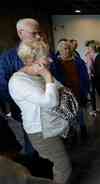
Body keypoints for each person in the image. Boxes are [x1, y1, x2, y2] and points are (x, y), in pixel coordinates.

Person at [8, 40, 72, 183]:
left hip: (51, 126)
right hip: (41, 131)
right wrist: (48, 77)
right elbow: (51, 101)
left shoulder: (38, 75)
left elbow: (61, 88)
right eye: (46, 56)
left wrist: (50, 82)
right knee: (63, 167)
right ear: (32, 60)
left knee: (57, 166)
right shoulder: (19, 81)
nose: (50, 59)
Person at [0, 18, 42, 158]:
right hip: (26, 114)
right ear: (20, 33)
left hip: (49, 111)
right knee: (32, 147)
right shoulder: (7, 58)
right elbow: (3, 86)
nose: (38, 37)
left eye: (39, 33)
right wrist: (23, 104)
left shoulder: (45, 53)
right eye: (34, 33)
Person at [51, 39, 90, 139]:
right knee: (67, 114)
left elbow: (85, 78)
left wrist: (85, 91)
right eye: (64, 49)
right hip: (64, 93)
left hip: (77, 91)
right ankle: (72, 134)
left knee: (79, 112)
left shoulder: (78, 61)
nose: (67, 51)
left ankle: (82, 129)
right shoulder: (56, 63)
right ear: (59, 50)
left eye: (68, 48)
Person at [84, 40, 100, 116]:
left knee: (93, 93)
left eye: (89, 47)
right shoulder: (95, 55)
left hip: (93, 77)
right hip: (93, 76)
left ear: (92, 47)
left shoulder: (93, 55)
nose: (88, 48)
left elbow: (89, 67)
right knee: (94, 93)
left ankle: (94, 109)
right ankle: (97, 108)